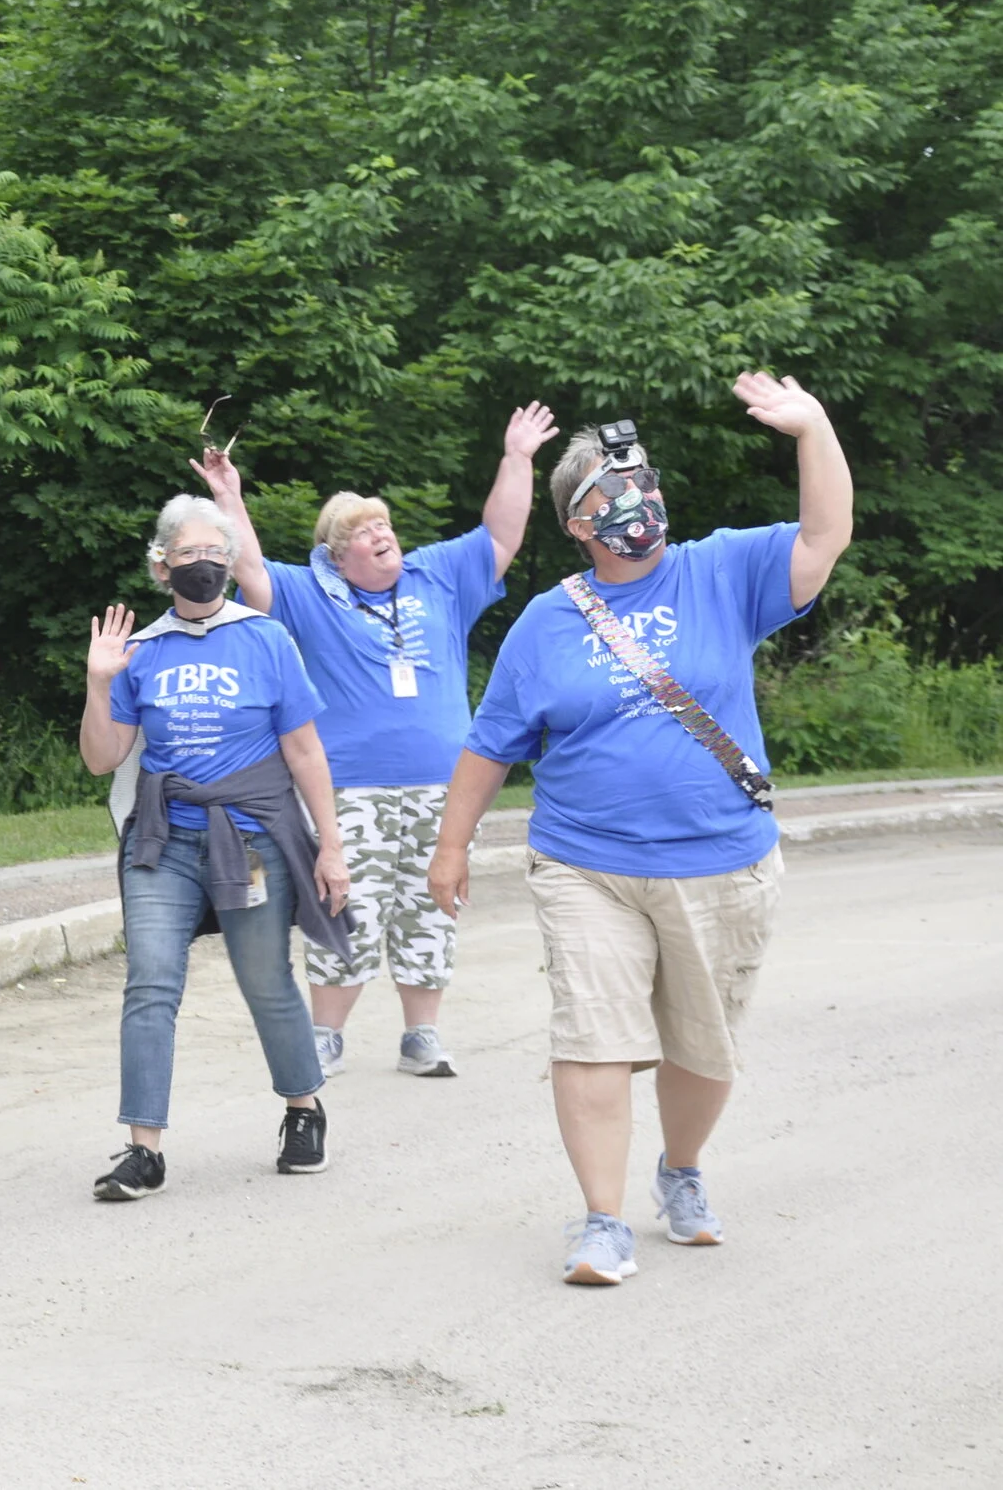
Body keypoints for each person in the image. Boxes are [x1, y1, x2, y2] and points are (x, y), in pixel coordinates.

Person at [426, 372, 852, 1286]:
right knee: (592, 1036)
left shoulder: (722, 569)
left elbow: (825, 538)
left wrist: (811, 429)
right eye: (610, 496)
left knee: (705, 1048)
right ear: (576, 524)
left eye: (644, 485)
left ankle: (681, 1172)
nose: (636, 503)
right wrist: (451, 847)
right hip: (586, 863)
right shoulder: (546, 622)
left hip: (720, 860)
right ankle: (603, 1222)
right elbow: (492, 744)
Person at [195, 404, 562, 1079]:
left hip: (442, 784)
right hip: (348, 786)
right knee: (346, 903)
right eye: (363, 531)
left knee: (432, 902)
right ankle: (326, 1036)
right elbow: (250, 573)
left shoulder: (438, 577)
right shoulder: (312, 592)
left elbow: (501, 534)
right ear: (339, 555)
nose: (381, 534)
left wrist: (518, 456)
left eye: (384, 523)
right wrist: (229, 498)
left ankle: (421, 1035)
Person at [80, 495, 355, 1201]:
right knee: (149, 981)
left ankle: (303, 1107)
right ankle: (143, 1149)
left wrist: (331, 847)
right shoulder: (140, 651)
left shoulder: (266, 638)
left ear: (229, 565)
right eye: (187, 555)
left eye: (213, 555)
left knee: (266, 981)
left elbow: (304, 749)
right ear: (160, 565)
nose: (200, 566)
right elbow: (102, 758)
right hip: (165, 841)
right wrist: (98, 681)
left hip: (254, 838)